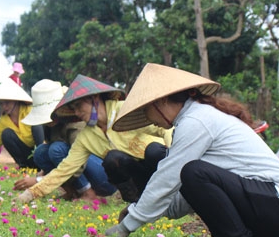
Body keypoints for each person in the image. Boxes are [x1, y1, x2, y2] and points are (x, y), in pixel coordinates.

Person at [105, 63, 279, 237]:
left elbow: (168, 177)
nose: (148, 119)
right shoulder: (194, 118)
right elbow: (187, 192)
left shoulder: (196, 120)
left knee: (192, 171)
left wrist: (128, 225)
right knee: (190, 173)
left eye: (145, 109)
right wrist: (140, 211)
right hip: (268, 207)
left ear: (161, 101)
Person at [13, 74, 172, 205]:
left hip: (162, 166)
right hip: (137, 176)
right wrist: (31, 193)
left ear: (94, 99)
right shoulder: (87, 136)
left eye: (79, 106)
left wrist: (176, 154)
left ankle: (171, 192)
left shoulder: (123, 110)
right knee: (113, 159)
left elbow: (165, 128)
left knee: (153, 150)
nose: (77, 112)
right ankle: (137, 202)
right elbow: (65, 169)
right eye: (73, 108)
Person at [14, 79, 117, 201]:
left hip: (102, 174)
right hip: (73, 165)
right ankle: (72, 191)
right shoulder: (49, 127)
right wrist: (39, 180)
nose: (77, 113)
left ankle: (88, 193)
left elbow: (77, 164)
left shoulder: (76, 123)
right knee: (40, 152)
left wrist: (37, 181)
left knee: (56, 149)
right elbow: (62, 164)